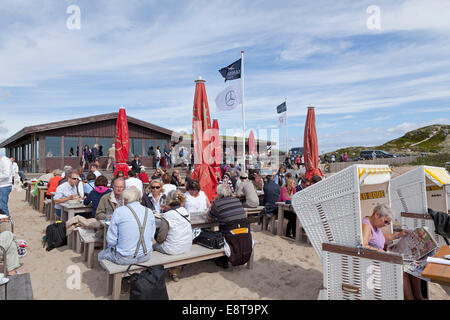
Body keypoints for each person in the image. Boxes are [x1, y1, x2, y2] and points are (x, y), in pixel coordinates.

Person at [361, 204, 424, 300]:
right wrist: (381, 251)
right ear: (377, 215)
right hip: (373, 262)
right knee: (402, 272)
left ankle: (419, 297)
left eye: (388, 223)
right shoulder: (366, 225)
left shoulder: (375, 226)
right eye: (386, 221)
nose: (386, 225)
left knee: (413, 266)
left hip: (381, 258)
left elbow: (381, 239)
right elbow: (364, 246)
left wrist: (398, 235)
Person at [98, 188, 156, 265]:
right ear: (138, 198)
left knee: (100, 255)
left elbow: (111, 240)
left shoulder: (119, 211)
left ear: (125, 199)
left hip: (125, 257)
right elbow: (151, 236)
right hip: (146, 255)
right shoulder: (148, 211)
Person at [207, 184, 252, 269]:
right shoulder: (237, 200)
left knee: (218, 233)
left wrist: (213, 203)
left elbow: (209, 217)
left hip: (230, 234)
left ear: (219, 194)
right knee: (227, 229)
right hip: (245, 231)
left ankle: (222, 260)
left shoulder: (217, 204)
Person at [153, 190, 192, 281]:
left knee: (154, 246)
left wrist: (156, 238)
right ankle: (175, 271)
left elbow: (161, 237)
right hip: (187, 246)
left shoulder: (168, 215)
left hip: (172, 249)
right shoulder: (185, 211)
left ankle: (171, 270)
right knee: (175, 241)